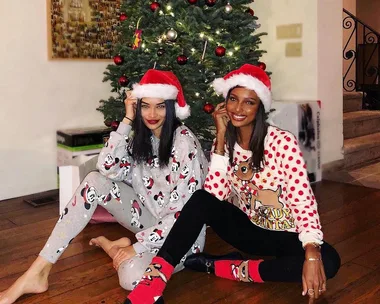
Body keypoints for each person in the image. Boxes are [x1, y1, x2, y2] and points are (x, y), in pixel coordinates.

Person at [124, 64, 341, 304]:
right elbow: (214, 194)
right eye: (233, 99)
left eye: (249, 102)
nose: (238, 109)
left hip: (285, 235)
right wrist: (219, 139)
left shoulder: (282, 143)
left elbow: (303, 200)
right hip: (246, 230)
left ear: (260, 107)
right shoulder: (227, 142)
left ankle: (229, 268)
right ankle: (154, 281)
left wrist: (311, 253)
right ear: (224, 103)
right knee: (200, 200)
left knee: (329, 262)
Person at [0, 69, 208, 304]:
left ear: (171, 109)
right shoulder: (142, 138)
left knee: (131, 276)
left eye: (160, 106)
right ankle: (37, 271)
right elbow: (108, 168)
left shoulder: (184, 143)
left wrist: (138, 248)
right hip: (150, 219)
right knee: (94, 181)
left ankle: (114, 248)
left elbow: (185, 215)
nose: (151, 114)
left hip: (183, 236)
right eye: (144, 106)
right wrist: (127, 121)